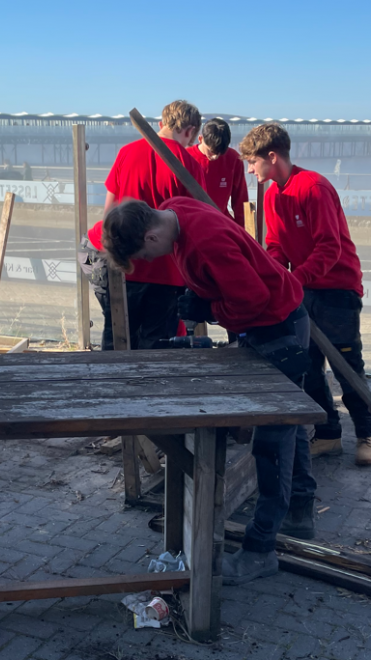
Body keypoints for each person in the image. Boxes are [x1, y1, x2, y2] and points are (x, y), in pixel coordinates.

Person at [101, 196, 317, 584]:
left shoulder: (205, 241)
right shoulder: (175, 208)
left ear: (151, 235)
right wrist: (202, 295)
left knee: (272, 443)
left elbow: (253, 299)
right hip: (269, 323)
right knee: (287, 427)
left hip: (278, 327)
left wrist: (211, 309)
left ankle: (260, 550)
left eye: (146, 255)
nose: (151, 262)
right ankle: (300, 508)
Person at [239, 123, 371, 466]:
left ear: (272, 157)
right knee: (309, 366)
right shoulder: (273, 195)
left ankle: (367, 433)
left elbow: (329, 247)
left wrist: (295, 281)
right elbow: (275, 245)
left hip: (337, 292)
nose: (249, 168)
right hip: (303, 290)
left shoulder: (313, 188)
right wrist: (275, 277)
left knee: (347, 365)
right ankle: (329, 433)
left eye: (253, 161)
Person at [80, 100, 204, 349]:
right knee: (155, 347)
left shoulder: (127, 152)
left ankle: (111, 385)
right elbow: (192, 228)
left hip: (119, 264)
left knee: (116, 338)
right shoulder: (189, 166)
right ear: (190, 131)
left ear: (161, 124)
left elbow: (109, 214)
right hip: (165, 274)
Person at [187, 117, 248, 222]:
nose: (215, 157)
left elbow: (240, 200)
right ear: (200, 139)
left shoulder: (233, 159)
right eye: (211, 151)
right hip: (191, 223)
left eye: (221, 152)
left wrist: (242, 231)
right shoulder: (186, 157)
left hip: (220, 223)